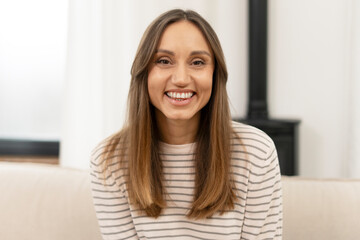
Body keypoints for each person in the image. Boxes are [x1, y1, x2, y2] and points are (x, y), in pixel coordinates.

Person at [90, 9, 282, 240]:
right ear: (143, 73)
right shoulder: (110, 160)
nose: (181, 79)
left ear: (215, 74)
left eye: (197, 62)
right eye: (163, 61)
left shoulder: (256, 152)